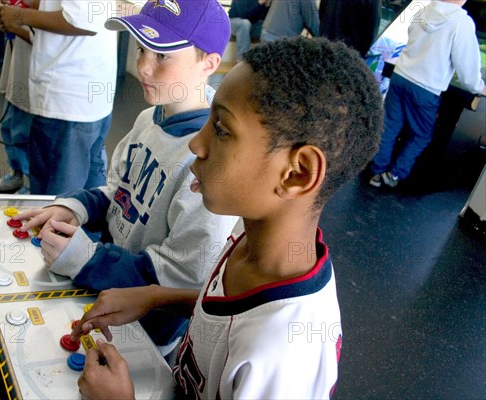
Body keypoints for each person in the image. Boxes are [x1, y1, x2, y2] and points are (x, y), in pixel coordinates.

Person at [71, 36, 384, 399]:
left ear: (297, 173)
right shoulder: (251, 233)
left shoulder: (282, 355)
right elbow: (223, 317)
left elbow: (248, 332)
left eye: (220, 130)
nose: (196, 145)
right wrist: (155, 296)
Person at [13, 0, 239, 352]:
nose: (144, 67)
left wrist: (86, 258)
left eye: (163, 56)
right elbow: (119, 191)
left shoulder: (208, 161)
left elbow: (179, 277)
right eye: (140, 49)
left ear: (208, 63)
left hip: (146, 329)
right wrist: (76, 208)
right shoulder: (148, 120)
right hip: (105, 288)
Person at [0, 0, 117, 194]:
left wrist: (18, 15)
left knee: (53, 199)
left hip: (66, 100)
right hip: (85, 96)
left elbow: (82, 20)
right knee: (89, 193)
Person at [369, 0, 486, 188]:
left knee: (389, 126)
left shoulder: (424, 9)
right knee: (421, 135)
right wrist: (478, 87)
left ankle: (376, 173)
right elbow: (467, 70)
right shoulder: (461, 22)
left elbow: (411, 36)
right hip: (425, 87)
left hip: (401, 76)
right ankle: (394, 174)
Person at [0, 0, 32, 194]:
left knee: (28, 130)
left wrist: (12, 19)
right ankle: (17, 172)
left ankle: (34, 185)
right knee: (10, 123)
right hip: (18, 55)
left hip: (39, 66)